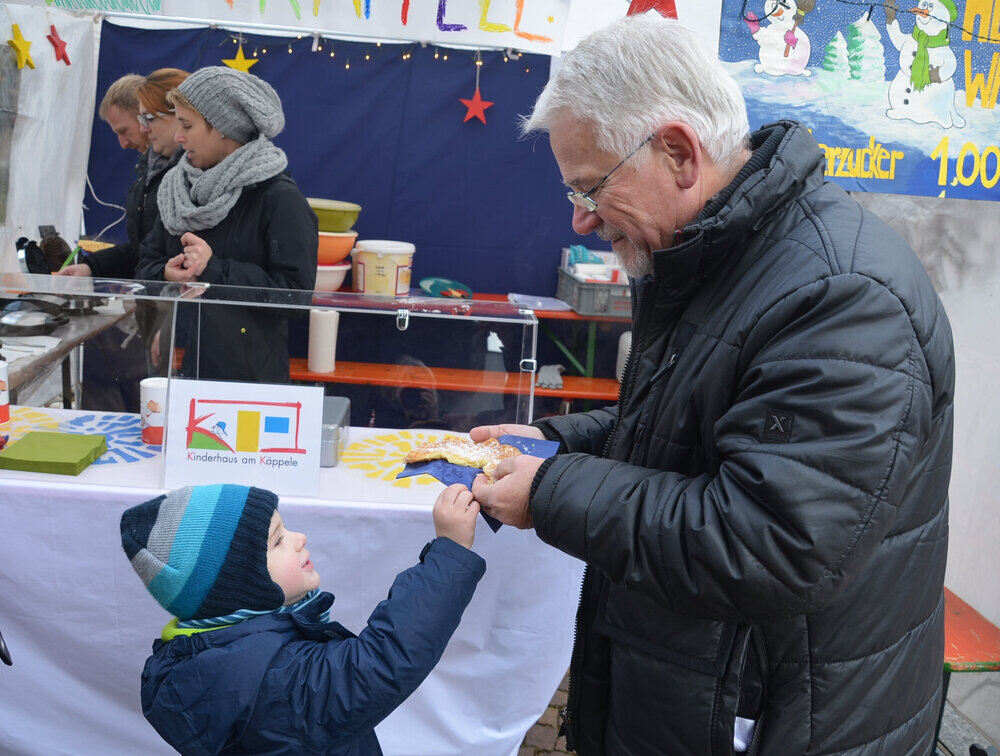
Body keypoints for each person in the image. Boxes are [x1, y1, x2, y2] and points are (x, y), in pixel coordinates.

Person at [471, 14, 954, 756]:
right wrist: (551, 443)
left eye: (591, 187)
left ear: (677, 151)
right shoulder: (720, 258)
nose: (579, 218)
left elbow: (768, 540)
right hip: (699, 694)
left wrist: (550, 492)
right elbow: (686, 431)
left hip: (782, 723)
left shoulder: (841, 295)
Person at [120, 482, 485, 754]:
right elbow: (382, 661)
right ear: (240, 587)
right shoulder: (273, 680)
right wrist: (449, 552)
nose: (299, 538)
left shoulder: (201, 653)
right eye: (277, 541)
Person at [135, 66, 317, 383]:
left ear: (222, 128)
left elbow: (295, 297)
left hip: (249, 387)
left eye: (187, 126)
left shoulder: (278, 200)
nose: (179, 137)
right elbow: (146, 262)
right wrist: (165, 272)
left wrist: (214, 268)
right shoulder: (176, 191)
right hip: (180, 374)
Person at [58, 74, 148, 279]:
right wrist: (91, 267)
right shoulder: (148, 175)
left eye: (124, 131)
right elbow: (142, 250)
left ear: (145, 116)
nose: (123, 144)